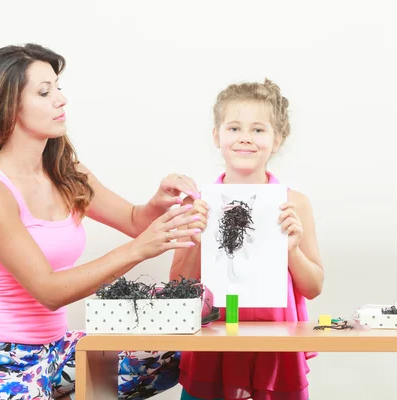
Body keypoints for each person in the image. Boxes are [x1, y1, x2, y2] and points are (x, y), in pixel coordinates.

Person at [0, 43, 202, 400]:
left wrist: (158, 204)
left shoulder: (68, 173)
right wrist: (138, 250)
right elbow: (50, 292)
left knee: (171, 356)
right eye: (44, 91)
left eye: (58, 87)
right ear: (9, 106)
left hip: (58, 350)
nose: (61, 99)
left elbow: (134, 220)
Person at [170, 79, 324, 400]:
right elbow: (175, 287)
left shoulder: (294, 203)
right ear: (217, 135)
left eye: (258, 130)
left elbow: (313, 287)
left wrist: (292, 250)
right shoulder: (196, 204)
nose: (245, 139)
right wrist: (198, 238)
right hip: (213, 346)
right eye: (234, 128)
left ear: (277, 139)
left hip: (276, 348)